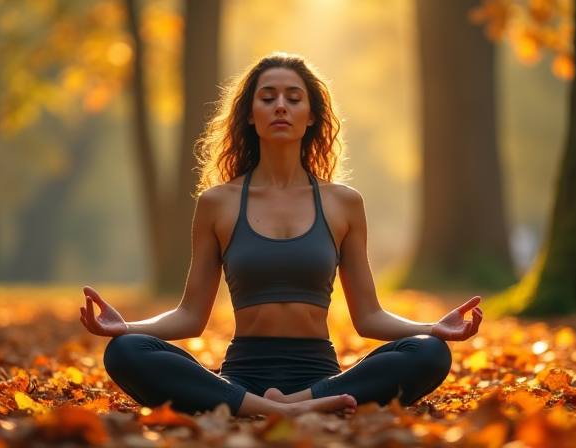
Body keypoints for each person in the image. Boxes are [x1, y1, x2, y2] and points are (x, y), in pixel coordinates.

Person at [79, 52, 483, 418]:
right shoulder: (217, 203)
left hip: (320, 376)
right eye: (268, 97)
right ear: (250, 115)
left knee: (429, 353)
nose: (280, 107)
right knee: (126, 352)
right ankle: (282, 409)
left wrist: (433, 329)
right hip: (241, 376)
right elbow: (190, 316)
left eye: (293, 97)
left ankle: (291, 403)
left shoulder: (343, 203)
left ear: (311, 116)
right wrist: (126, 328)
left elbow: (369, 317)